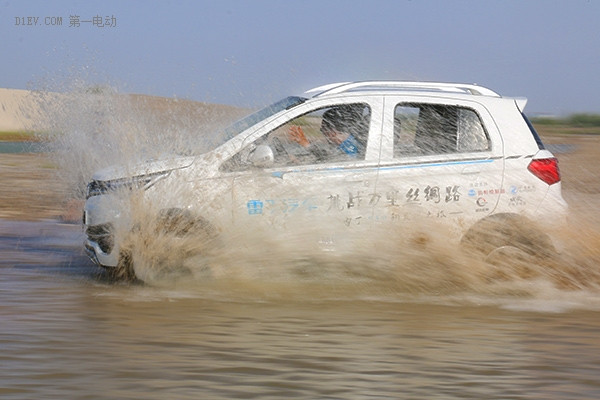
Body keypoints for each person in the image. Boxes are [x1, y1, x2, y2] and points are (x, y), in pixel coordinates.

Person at [288, 105, 367, 161]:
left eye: (323, 129)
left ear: (333, 131)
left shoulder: (349, 147)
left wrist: (306, 144)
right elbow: (327, 157)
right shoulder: (345, 144)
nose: (322, 132)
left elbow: (331, 163)